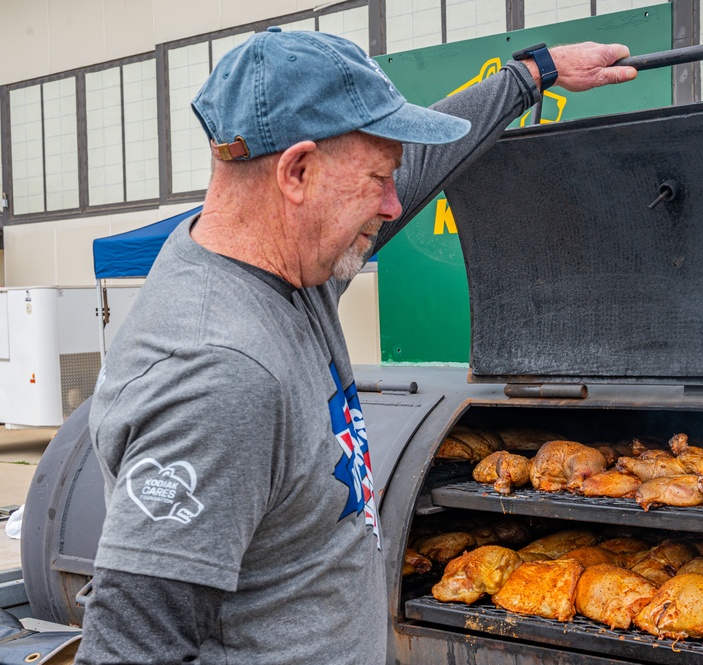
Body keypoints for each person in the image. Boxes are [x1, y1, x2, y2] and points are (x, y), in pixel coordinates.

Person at [76, 27, 636, 665]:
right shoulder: (222, 373)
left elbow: (421, 169)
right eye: (378, 180)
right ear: (298, 171)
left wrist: (532, 74)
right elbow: (128, 646)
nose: (396, 205)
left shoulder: (278, 260)